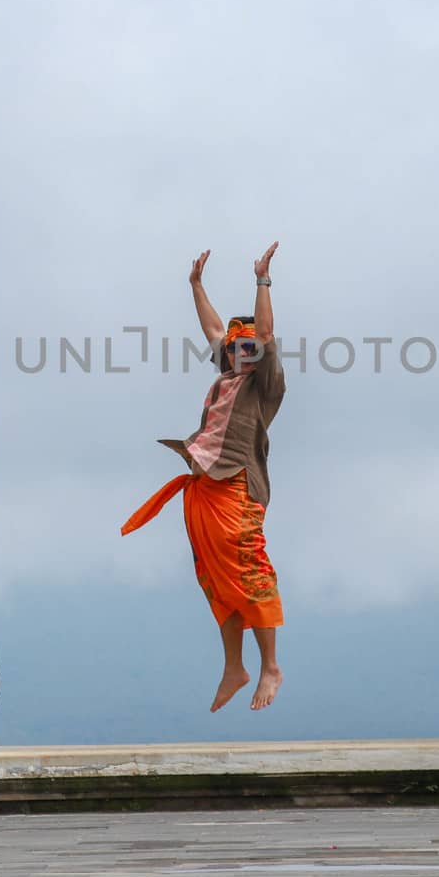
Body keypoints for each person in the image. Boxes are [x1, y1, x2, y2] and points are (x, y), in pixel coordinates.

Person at [120, 242, 287, 712]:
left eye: (246, 348)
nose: (239, 353)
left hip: (236, 485)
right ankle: (234, 666)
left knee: (249, 568)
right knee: (217, 576)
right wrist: (196, 286)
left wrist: (262, 279)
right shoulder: (227, 375)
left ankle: (271, 665)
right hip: (203, 490)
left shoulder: (264, 382)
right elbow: (214, 328)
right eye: (234, 348)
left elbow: (268, 333)